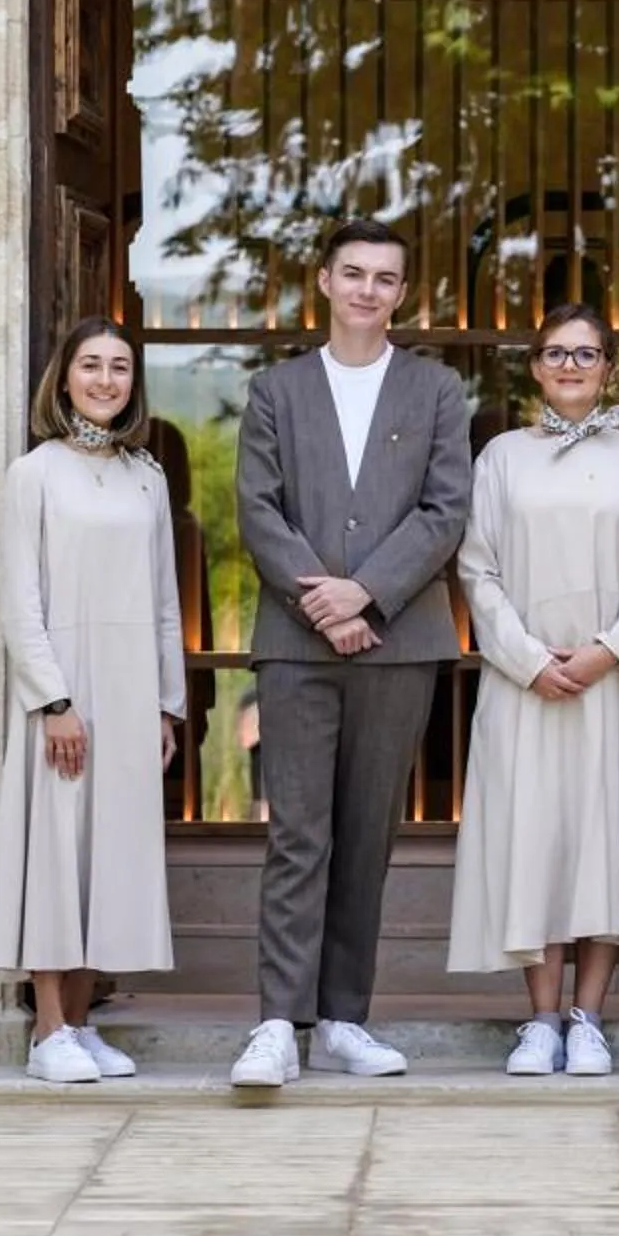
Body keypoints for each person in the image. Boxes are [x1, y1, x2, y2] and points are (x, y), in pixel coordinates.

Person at [229, 217, 471, 1091]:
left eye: (385, 278)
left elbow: (446, 510)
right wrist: (321, 602)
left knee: (367, 835)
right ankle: (277, 1024)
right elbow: (258, 508)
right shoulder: (276, 390)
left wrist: (366, 593)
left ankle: (342, 1020)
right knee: (299, 834)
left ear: (402, 294)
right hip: (296, 647)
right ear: (324, 283)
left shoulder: (437, 390)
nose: (368, 290)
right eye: (354, 274)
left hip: (399, 641)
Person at [448, 305, 619, 1075]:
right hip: (524, 683)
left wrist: (608, 652)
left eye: (587, 354)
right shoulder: (501, 457)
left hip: (610, 681)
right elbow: (478, 569)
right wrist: (526, 658)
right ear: (535, 368)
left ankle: (589, 1018)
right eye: (556, 354)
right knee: (534, 838)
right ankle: (540, 1017)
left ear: (608, 366)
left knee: (601, 837)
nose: (571, 366)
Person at [0, 316, 186, 1083]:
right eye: (90, 365)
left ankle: (85, 1023)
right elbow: (18, 600)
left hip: (131, 691)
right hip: (62, 691)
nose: (105, 380)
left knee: (110, 854)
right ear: (63, 377)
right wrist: (52, 701)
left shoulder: (148, 478)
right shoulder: (34, 473)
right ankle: (48, 1030)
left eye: (119, 368)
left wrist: (167, 706)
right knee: (56, 846)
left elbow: (166, 600)